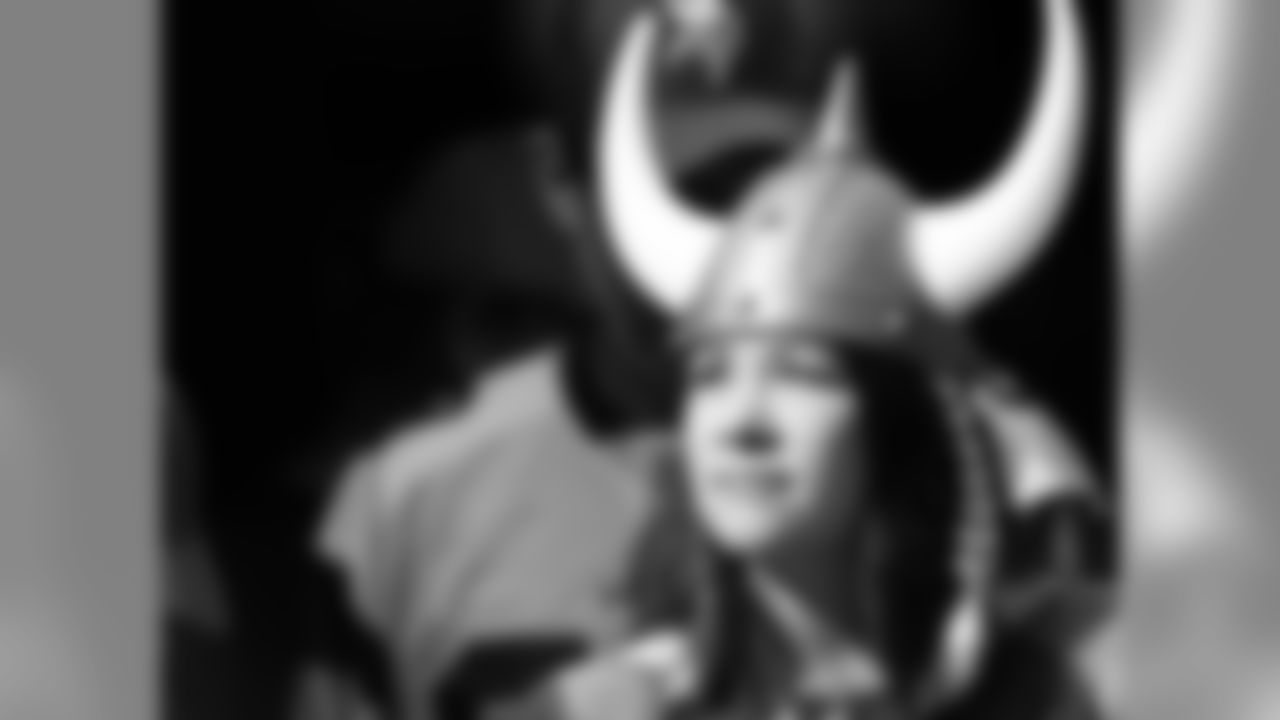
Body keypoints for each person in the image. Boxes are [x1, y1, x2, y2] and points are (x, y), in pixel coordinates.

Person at [497, 2, 1108, 717]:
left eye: (803, 375)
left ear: (904, 420)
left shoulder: (1066, 694)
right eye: (710, 377)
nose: (743, 424)